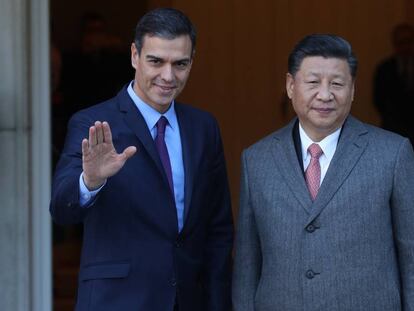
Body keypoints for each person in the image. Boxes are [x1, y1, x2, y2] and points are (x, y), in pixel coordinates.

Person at [50, 8, 233, 311]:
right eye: (156, 61)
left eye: (180, 64)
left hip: (188, 300)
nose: (168, 76)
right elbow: (61, 209)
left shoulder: (203, 128)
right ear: (135, 55)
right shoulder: (93, 122)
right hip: (118, 300)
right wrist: (90, 181)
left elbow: (218, 229)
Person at [232, 34, 414, 310]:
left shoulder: (393, 153)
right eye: (313, 82)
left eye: (338, 84)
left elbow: (411, 254)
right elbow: (247, 262)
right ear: (291, 86)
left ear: (353, 90)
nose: (325, 94)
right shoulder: (257, 160)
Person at [373, 23, 414, 145]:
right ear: (395, 44)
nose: (405, 46)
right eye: (401, 42)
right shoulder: (384, 69)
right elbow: (378, 100)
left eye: (409, 41)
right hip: (393, 129)